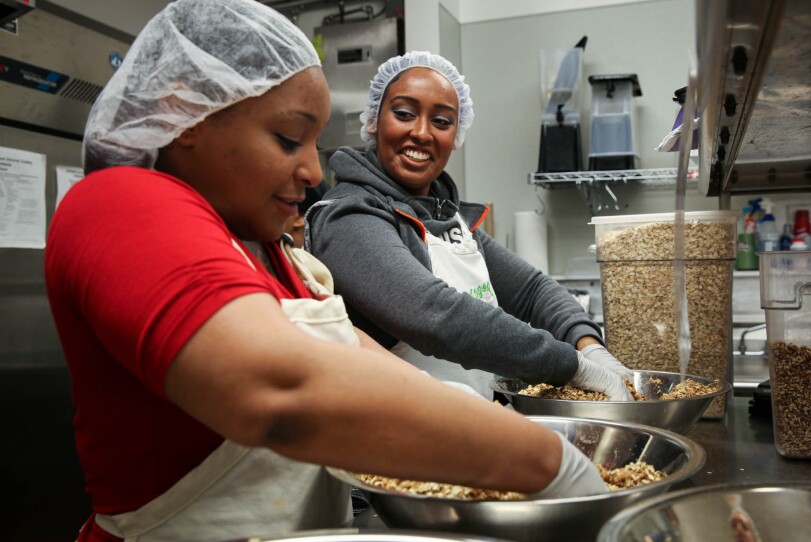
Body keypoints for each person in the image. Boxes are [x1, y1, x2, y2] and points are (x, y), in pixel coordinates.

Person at [44, 3, 612, 541]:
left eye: (313, 143)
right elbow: (281, 389)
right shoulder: (123, 203)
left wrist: (485, 414)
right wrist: (545, 462)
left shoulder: (272, 252)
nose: (315, 172)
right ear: (182, 110)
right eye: (289, 139)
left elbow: (362, 361)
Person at [306, 51, 633, 401]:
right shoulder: (347, 217)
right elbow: (435, 315)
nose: (421, 133)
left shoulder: (448, 217)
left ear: (457, 135)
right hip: (396, 425)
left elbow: (533, 291)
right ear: (374, 119)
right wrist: (571, 366)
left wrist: (588, 345)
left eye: (441, 121)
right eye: (403, 113)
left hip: (470, 418)